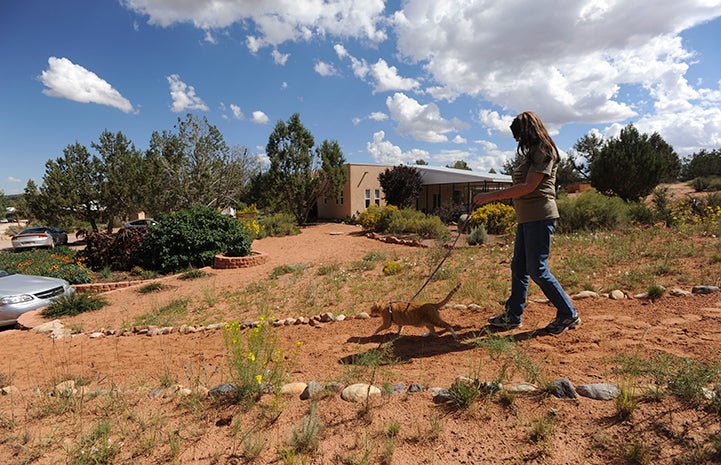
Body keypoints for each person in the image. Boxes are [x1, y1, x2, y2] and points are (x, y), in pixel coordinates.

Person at [472, 111, 580, 335]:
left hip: (540, 216)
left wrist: (490, 196)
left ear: (528, 131)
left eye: (519, 135)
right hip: (527, 218)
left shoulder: (543, 151)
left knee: (537, 269)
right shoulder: (532, 153)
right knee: (519, 267)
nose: (517, 140)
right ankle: (513, 316)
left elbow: (528, 186)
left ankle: (568, 313)